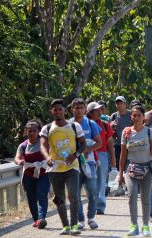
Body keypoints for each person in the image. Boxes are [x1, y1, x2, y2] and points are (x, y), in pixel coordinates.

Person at [40, 99, 87, 235]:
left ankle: (74, 225)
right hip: (55, 168)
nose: (58, 112)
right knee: (59, 198)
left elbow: (83, 144)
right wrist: (47, 157)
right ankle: (65, 226)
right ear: (51, 111)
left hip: (72, 166)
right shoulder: (47, 128)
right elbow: (42, 145)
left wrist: (75, 155)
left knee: (73, 195)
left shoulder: (74, 126)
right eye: (55, 110)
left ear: (64, 111)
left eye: (60, 109)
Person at [118, 105, 152, 237]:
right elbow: (123, 155)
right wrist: (121, 174)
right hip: (131, 169)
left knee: (145, 198)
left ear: (144, 117)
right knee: (132, 195)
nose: (136, 117)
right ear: (131, 117)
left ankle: (145, 225)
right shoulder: (126, 133)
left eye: (139, 115)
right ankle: (134, 225)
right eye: (134, 115)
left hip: (147, 170)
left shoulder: (150, 132)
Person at [69, 98, 102, 230]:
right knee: (75, 194)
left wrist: (86, 150)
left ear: (85, 109)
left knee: (92, 191)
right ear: (72, 110)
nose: (78, 110)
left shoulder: (91, 123)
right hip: (73, 165)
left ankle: (91, 218)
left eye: (81, 107)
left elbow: (99, 142)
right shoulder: (67, 124)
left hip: (89, 163)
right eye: (76, 108)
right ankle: (80, 219)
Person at [14, 120, 50, 229]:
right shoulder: (23, 145)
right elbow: (17, 157)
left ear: (39, 131)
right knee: (31, 198)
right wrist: (19, 161)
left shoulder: (45, 142)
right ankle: (36, 220)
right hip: (29, 175)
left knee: (42, 194)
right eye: (29, 131)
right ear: (26, 132)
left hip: (43, 173)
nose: (32, 133)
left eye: (34, 131)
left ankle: (41, 218)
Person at [86, 102, 116, 215]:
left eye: (100, 110)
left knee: (101, 180)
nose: (100, 112)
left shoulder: (104, 124)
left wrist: (113, 158)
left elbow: (109, 142)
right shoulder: (84, 124)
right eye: (97, 110)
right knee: (89, 181)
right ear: (90, 112)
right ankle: (92, 204)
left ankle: (100, 206)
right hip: (88, 154)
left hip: (102, 154)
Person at [110, 96, 132, 178]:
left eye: (121, 103)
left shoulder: (131, 114)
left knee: (130, 164)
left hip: (130, 144)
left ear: (125, 104)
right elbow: (109, 131)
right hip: (118, 144)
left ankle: (129, 182)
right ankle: (120, 182)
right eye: (117, 104)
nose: (119, 105)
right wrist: (111, 126)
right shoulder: (114, 116)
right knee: (119, 164)